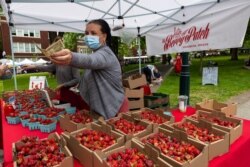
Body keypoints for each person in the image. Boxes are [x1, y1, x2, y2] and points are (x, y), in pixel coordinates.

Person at [49, 19, 128, 119]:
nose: (88, 36)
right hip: (102, 108)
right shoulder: (97, 53)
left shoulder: (106, 54)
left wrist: (72, 57)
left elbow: (90, 60)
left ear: (104, 36)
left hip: (115, 108)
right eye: (86, 33)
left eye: (93, 33)